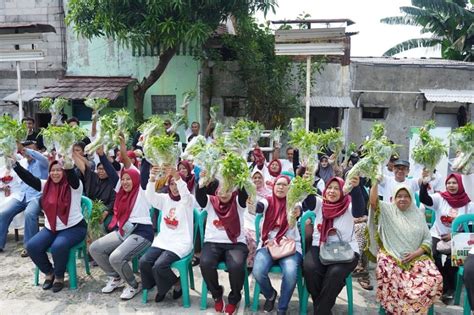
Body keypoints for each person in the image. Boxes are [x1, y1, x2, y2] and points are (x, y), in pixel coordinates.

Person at [89, 137, 154, 300]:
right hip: (124, 231)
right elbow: (112, 174)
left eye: (128, 179)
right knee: (95, 248)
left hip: (142, 233)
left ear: (136, 179)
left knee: (116, 257)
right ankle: (115, 277)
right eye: (123, 179)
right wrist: (102, 155)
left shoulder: (142, 189)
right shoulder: (122, 190)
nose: (125, 182)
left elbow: (128, 163)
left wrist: (125, 148)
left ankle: (133, 284)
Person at [13, 159, 87, 292]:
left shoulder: (74, 186)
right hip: (52, 228)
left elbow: (72, 177)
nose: (55, 173)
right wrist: (15, 165)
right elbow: (29, 178)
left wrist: (67, 163)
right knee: (32, 246)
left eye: (59, 170)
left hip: (74, 227)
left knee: (58, 245)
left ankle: (59, 276)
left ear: (64, 171)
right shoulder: (47, 185)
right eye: (53, 170)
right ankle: (49, 272)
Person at [368, 183, 442, 313]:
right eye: (399, 196)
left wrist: (416, 253)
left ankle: (411, 310)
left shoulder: (418, 214)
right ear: (394, 198)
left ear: (411, 198)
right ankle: (399, 310)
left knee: (435, 278)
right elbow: (373, 202)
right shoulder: (387, 210)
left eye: (406, 196)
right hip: (391, 256)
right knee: (392, 278)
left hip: (416, 257)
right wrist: (375, 181)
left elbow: (427, 239)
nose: (402, 199)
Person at [252, 175, 315, 314]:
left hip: (290, 246)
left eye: (284, 185)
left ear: (289, 188)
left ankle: (282, 307)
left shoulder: (294, 202)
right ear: (273, 186)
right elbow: (260, 206)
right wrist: (252, 200)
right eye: (278, 184)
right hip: (268, 245)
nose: (280, 187)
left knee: (291, 272)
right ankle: (270, 295)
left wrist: (297, 212)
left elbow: (298, 209)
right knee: (257, 271)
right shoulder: (267, 200)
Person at [303, 177, 360, 314]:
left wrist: (356, 188)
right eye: (329, 187)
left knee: (334, 273)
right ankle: (324, 308)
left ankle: (320, 310)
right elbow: (309, 199)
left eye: (336, 188)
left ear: (343, 191)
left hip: (346, 249)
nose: (332, 191)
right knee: (309, 268)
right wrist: (306, 179)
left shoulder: (349, 206)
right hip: (321, 246)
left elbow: (359, 210)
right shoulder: (320, 203)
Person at [140, 165, 195, 302]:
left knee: (160, 265)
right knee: (144, 261)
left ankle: (175, 284)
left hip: (180, 242)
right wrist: (152, 178)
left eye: (177, 183)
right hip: (163, 240)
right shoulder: (165, 199)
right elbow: (150, 197)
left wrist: (177, 176)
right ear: (168, 185)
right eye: (171, 184)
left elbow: (185, 195)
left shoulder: (187, 201)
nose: (175, 187)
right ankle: (163, 285)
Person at [196, 175, 249, 315]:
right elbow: (199, 195)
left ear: (233, 191)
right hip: (212, 243)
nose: (224, 194)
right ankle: (216, 294)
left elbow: (244, 194)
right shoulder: (210, 201)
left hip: (236, 243)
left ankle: (234, 299)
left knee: (236, 266)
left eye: (228, 190)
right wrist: (203, 180)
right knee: (205, 263)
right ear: (216, 191)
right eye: (221, 190)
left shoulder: (238, 202)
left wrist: (239, 175)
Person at [419, 173, 473, 302]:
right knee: (431, 255)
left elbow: (471, 229)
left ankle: (450, 289)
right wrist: (424, 184)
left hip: (459, 238)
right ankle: (441, 284)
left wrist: (453, 235)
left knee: (451, 262)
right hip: (437, 234)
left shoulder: (469, 203)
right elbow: (424, 199)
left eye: (455, 183)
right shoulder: (440, 198)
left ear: (461, 184)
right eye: (449, 183)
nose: (451, 185)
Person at [0, 141, 49, 256]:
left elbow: (41, 157)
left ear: (36, 151)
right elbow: (12, 163)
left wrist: (26, 149)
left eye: (31, 150)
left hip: (37, 196)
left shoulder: (42, 162)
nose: (27, 153)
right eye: (25, 151)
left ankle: (30, 246)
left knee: (30, 214)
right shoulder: (23, 162)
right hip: (22, 196)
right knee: (3, 213)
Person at [72, 147, 116, 232]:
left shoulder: (113, 182)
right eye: (100, 169)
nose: (101, 171)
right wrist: (73, 152)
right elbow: (84, 166)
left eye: (104, 169)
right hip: (90, 208)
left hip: (106, 211)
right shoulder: (93, 177)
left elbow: (113, 201)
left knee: (108, 225)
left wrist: (105, 212)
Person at [245, 169, 272, 268]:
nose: (257, 180)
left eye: (259, 177)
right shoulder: (248, 193)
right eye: (255, 178)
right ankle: (247, 265)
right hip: (248, 221)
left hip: (262, 221)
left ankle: (256, 264)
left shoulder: (268, 193)